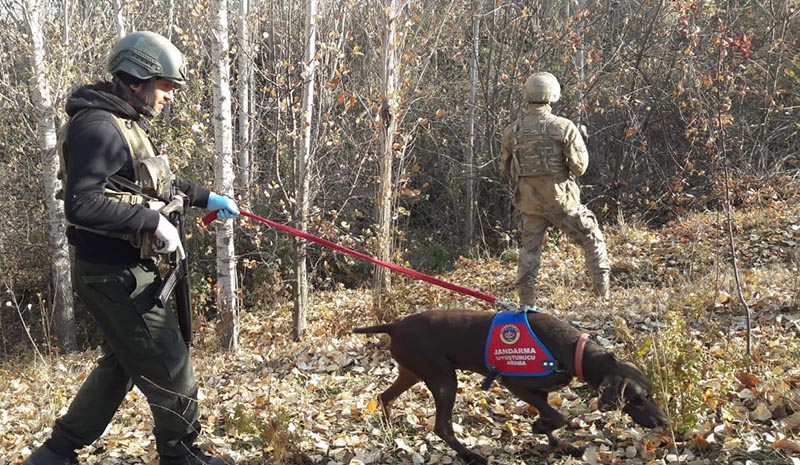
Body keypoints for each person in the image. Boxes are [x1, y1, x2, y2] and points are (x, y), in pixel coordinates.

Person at [25, 31, 239, 465]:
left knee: (121, 365)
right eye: (165, 87)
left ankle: (57, 452)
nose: (169, 97)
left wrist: (207, 197)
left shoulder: (121, 122)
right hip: (116, 274)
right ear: (137, 79)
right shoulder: (98, 127)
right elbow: (82, 203)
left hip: (120, 271)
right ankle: (181, 456)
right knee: (171, 369)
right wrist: (151, 220)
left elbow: (153, 182)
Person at [500, 72, 610, 306]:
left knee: (529, 254)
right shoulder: (564, 127)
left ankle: (526, 306)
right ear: (552, 95)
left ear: (527, 94)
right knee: (592, 238)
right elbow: (579, 168)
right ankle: (603, 299)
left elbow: (506, 169)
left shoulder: (512, 131)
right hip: (562, 201)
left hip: (530, 204)